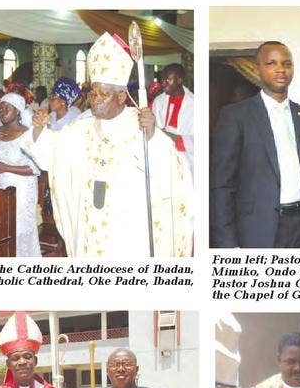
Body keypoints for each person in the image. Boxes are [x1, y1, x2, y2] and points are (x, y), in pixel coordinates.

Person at [33, 31, 193, 258]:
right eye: (92, 92)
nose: (94, 98)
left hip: (128, 229)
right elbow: (53, 153)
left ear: (120, 97)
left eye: (103, 93)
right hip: (91, 228)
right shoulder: (81, 128)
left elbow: (173, 172)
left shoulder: (140, 124)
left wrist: (153, 137)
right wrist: (40, 128)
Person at [210, 41, 300, 249]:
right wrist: (227, 244)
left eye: (287, 64)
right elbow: (221, 186)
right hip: (258, 229)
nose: (281, 69)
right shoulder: (235, 116)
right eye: (272, 63)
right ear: (257, 68)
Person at [0, 90, 42, 257]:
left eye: (7, 108)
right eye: (1, 108)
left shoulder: (27, 134)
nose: (2, 112)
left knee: (19, 230)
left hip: (22, 190)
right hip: (1, 189)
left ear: (18, 110)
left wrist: (7, 168)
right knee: (3, 231)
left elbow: (35, 169)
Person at [151, 63, 194, 173]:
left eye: (168, 80)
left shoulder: (194, 103)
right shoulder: (158, 101)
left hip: (187, 160)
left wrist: (173, 137)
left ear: (179, 80)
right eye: (162, 80)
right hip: (162, 158)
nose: (163, 84)